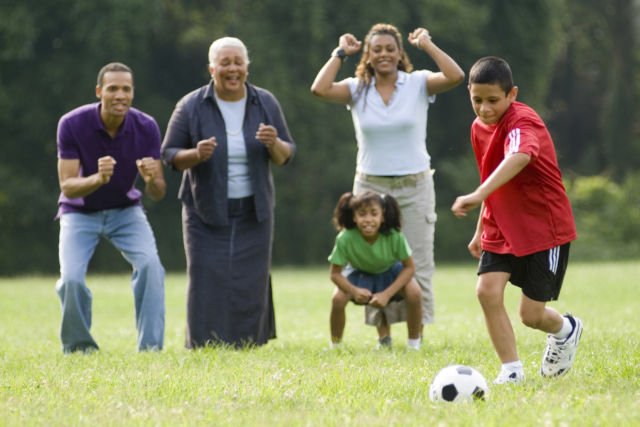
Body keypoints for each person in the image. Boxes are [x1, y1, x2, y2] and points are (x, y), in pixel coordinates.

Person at [311, 23, 465, 342]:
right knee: (374, 262)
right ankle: (384, 336)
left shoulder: (418, 83)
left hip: (415, 185)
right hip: (370, 187)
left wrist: (427, 44)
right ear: (368, 55)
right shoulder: (357, 88)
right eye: (376, 49)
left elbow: (456, 77)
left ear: (399, 54)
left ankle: (415, 337)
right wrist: (340, 52)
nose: (383, 54)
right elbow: (319, 89)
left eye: (389, 49)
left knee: (418, 262)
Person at [451, 56, 583, 384]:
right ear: (469, 92)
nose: (484, 108)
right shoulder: (477, 128)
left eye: (493, 100)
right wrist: (480, 227)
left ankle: (566, 329)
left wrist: (477, 195)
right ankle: (511, 371)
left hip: (543, 227)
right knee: (487, 291)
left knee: (531, 316)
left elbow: (519, 157)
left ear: (512, 94)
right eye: (476, 100)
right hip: (499, 223)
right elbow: (490, 174)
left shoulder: (523, 122)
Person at [161, 37, 296, 349]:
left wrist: (273, 142)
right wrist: (196, 154)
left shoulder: (265, 102)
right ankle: (203, 344)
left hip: (255, 209)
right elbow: (169, 153)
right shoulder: (191, 105)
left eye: (238, 62)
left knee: (252, 278)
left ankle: (248, 343)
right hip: (203, 208)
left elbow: (286, 154)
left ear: (247, 67)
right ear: (212, 68)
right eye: (225, 63)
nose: (232, 69)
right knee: (206, 275)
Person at [55, 62, 166, 353]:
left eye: (126, 89)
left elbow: (158, 193)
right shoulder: (72, 124)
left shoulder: (146, 127)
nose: (120, 95)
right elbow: (67, 185)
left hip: (124, 212)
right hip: (79, 212)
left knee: (151, 267)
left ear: (132, 93)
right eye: (113, 88)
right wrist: (98, 179)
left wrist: (152, 179)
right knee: (71, 280)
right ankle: (80, 348)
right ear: (99, 92)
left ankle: (151, 349)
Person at [328, 191, 422, 350]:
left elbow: (409, 268)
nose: (368, 220)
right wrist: (354, 290)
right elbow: (335, 274)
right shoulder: (345, 238)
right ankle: (335, 345)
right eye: (362, 214)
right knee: (337, 299)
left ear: (382, 216)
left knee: (415, 293)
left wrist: (387, 294)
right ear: (354, 217)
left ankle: (414, 344)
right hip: (359, 274)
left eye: (374, 214)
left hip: (391, 273)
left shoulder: (394, 236)